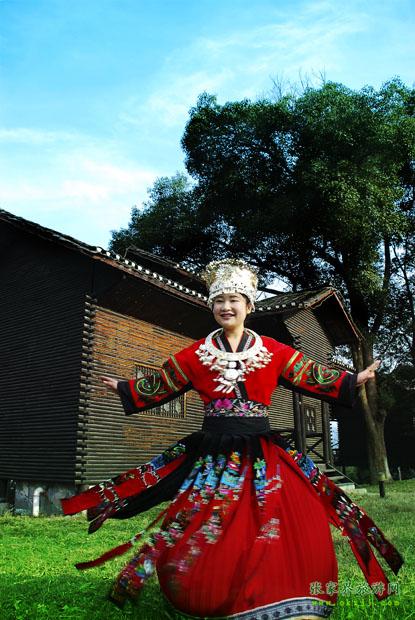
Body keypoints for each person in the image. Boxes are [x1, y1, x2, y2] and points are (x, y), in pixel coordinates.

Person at [61, 259, 403, 620]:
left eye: (234, 300)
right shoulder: (196, 354)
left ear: (249, 306)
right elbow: (164, 382)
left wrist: (352, 379)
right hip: (214, 453)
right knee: (205, 522)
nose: (226, 307)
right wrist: (126, 388)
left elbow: (309, 374)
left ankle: (287, 593)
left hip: (263, 450)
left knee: (289, 517)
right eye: (219, 301)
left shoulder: (273, 350)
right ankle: (213, 591)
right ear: (212, 307)